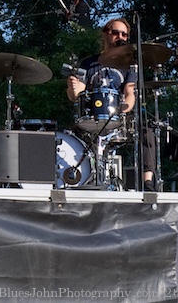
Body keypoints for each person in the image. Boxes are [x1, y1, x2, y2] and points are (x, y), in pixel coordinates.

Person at [66, 17, 157, 191]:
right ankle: (79, 179)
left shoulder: (131, 66)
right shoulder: (88, 63)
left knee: (147, 131)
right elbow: (75, 96)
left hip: (120, 114)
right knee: (69, 134)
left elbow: (130, 93)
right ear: (105, 35)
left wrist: (124, 109)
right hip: (92, 115)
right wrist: (72, 88)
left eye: (124, 34)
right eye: (115, 33)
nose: (120, 37)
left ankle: (148, 182)